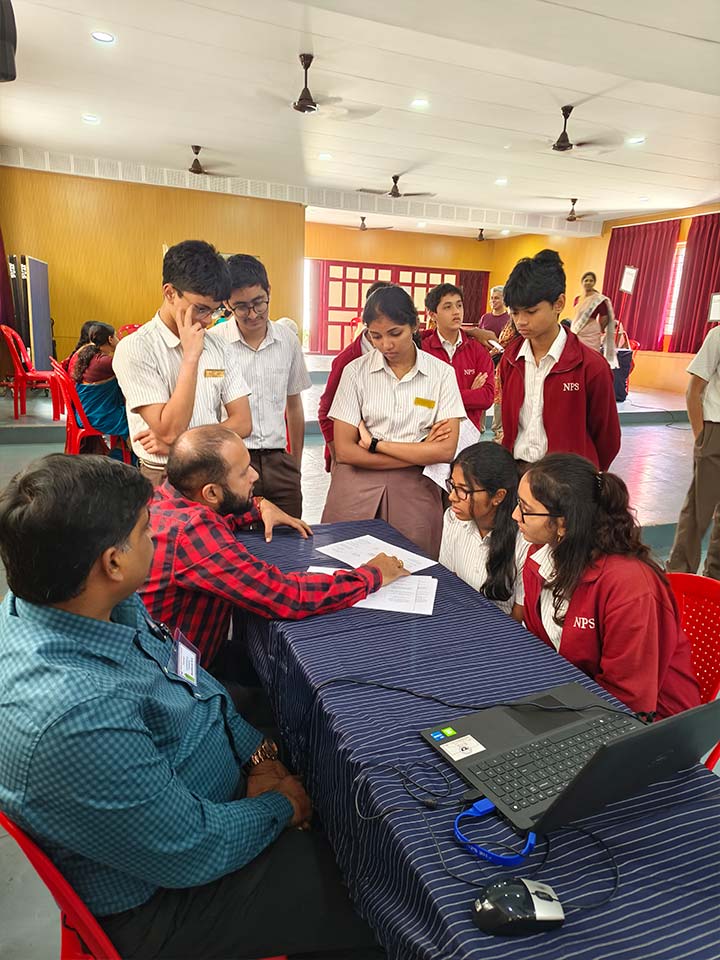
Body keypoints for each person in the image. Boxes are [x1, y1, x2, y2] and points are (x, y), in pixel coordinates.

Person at [0, 454, 387, 960]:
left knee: (333, 754)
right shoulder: (75, 715)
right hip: (170, 899)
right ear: (112, 562)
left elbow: (191, 680)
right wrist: (284, 804)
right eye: (146, 530)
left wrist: (259, 756)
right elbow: (190, 849)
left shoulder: (100, 603)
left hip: (208, 805)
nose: (156, 537)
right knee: (376, 889)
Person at [142, 424, 409, 670]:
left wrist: (259, 505)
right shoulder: (192, 532)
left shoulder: (166, 497)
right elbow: (287, 595)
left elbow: (224, 515)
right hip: (174, 678)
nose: (255, 475)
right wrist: (371, 575)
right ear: (211, 492)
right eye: (243, 472)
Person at [513, 453, 701, 719]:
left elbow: (630, 702)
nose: (515, 515)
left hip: (648, 725)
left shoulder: (629, 588)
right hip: (577, 702)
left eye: (525, 508)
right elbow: (543, 656)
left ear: (563, 523)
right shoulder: (538, 559)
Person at [322, 285, 466, 559]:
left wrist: (375, 444)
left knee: (412, 566)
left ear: (415, 325)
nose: (386, 345)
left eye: (395, 333)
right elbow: (345, 451)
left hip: (415, 491)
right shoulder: (355, 372)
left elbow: (445, 451)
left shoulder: (441, 375)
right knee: (347, 563)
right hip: (355, 486)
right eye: (375, 336)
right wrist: (419, 453)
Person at [112, 240, 251, 486]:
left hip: (213, 469)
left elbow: (243, 422)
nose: (207, 321)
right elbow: (169, 431)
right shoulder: (135, 349)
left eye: (215, 311)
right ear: (170, 293)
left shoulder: (219, 346)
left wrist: (183, 445)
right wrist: (190, 358)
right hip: (162, 474)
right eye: (200, 309)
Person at [499, 249, 621, 471]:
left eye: (531, 312)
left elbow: (607, 438)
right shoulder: (511, 359)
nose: (521, 321)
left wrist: (582, 475)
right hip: (518, 471)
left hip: (567, 478)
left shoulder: (591, 366)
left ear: (559, 303)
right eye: (515, 313)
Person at [211, 255, 311, 517]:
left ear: (269, 291)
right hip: (231, 462)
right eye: (241, 307)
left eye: (259, 303)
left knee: (290, 534)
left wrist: (295, 463)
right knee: (234, 535)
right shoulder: (214, 343)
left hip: (280, 463)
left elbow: (294, 405)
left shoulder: (287, 340)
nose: (253, 314)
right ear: (226, 304)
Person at [440, 442, 528, 618]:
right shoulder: (452, 518)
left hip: (500, 629)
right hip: (458, 618)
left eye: (463, 490)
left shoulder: (524, 540)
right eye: (453, 485)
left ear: (498, 496)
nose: (452, 497)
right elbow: (448, 581)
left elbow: (519, 616)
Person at [318, 280, 392, 471]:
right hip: (355, 458)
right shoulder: (347, 361)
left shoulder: (406, 353)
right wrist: (337, 457)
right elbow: (326, 411)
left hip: (393, 453)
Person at [667, 324, 720, 580]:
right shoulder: (717, 336)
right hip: (715, 430)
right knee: (699, 510)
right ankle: (679, 574)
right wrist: (701, 438)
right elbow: (693, 390)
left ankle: (714, 577)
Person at [421, 283, 494, 432]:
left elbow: (487, 397)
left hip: (469, 433)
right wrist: (470, 393)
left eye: (459, 305)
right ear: (433, 315)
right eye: (447, 307)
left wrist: (440, 399)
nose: (456, 312)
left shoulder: (478, 350)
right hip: (431, 433)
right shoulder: (423, 350)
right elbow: (419, 400)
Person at [68, 321, 130, 444]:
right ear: (110, 339)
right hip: (97, 416)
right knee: (137, 419)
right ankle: (133, 452)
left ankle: (121, 451)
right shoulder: (105, 362)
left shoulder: (88, 353)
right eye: (116, 336)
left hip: (85, 412)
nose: (117, 339)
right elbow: (130, 368)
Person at [570, 270, 617, 367]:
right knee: (576, 356)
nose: (588, 283)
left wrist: (600, 329)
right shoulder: (578, 299)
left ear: (594, 282)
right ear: (582, 282)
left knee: (591, 356)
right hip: (577, 330)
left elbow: (604, 317)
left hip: (591, 331)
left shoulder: (598, 299)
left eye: (591, 281)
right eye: (586, 280)